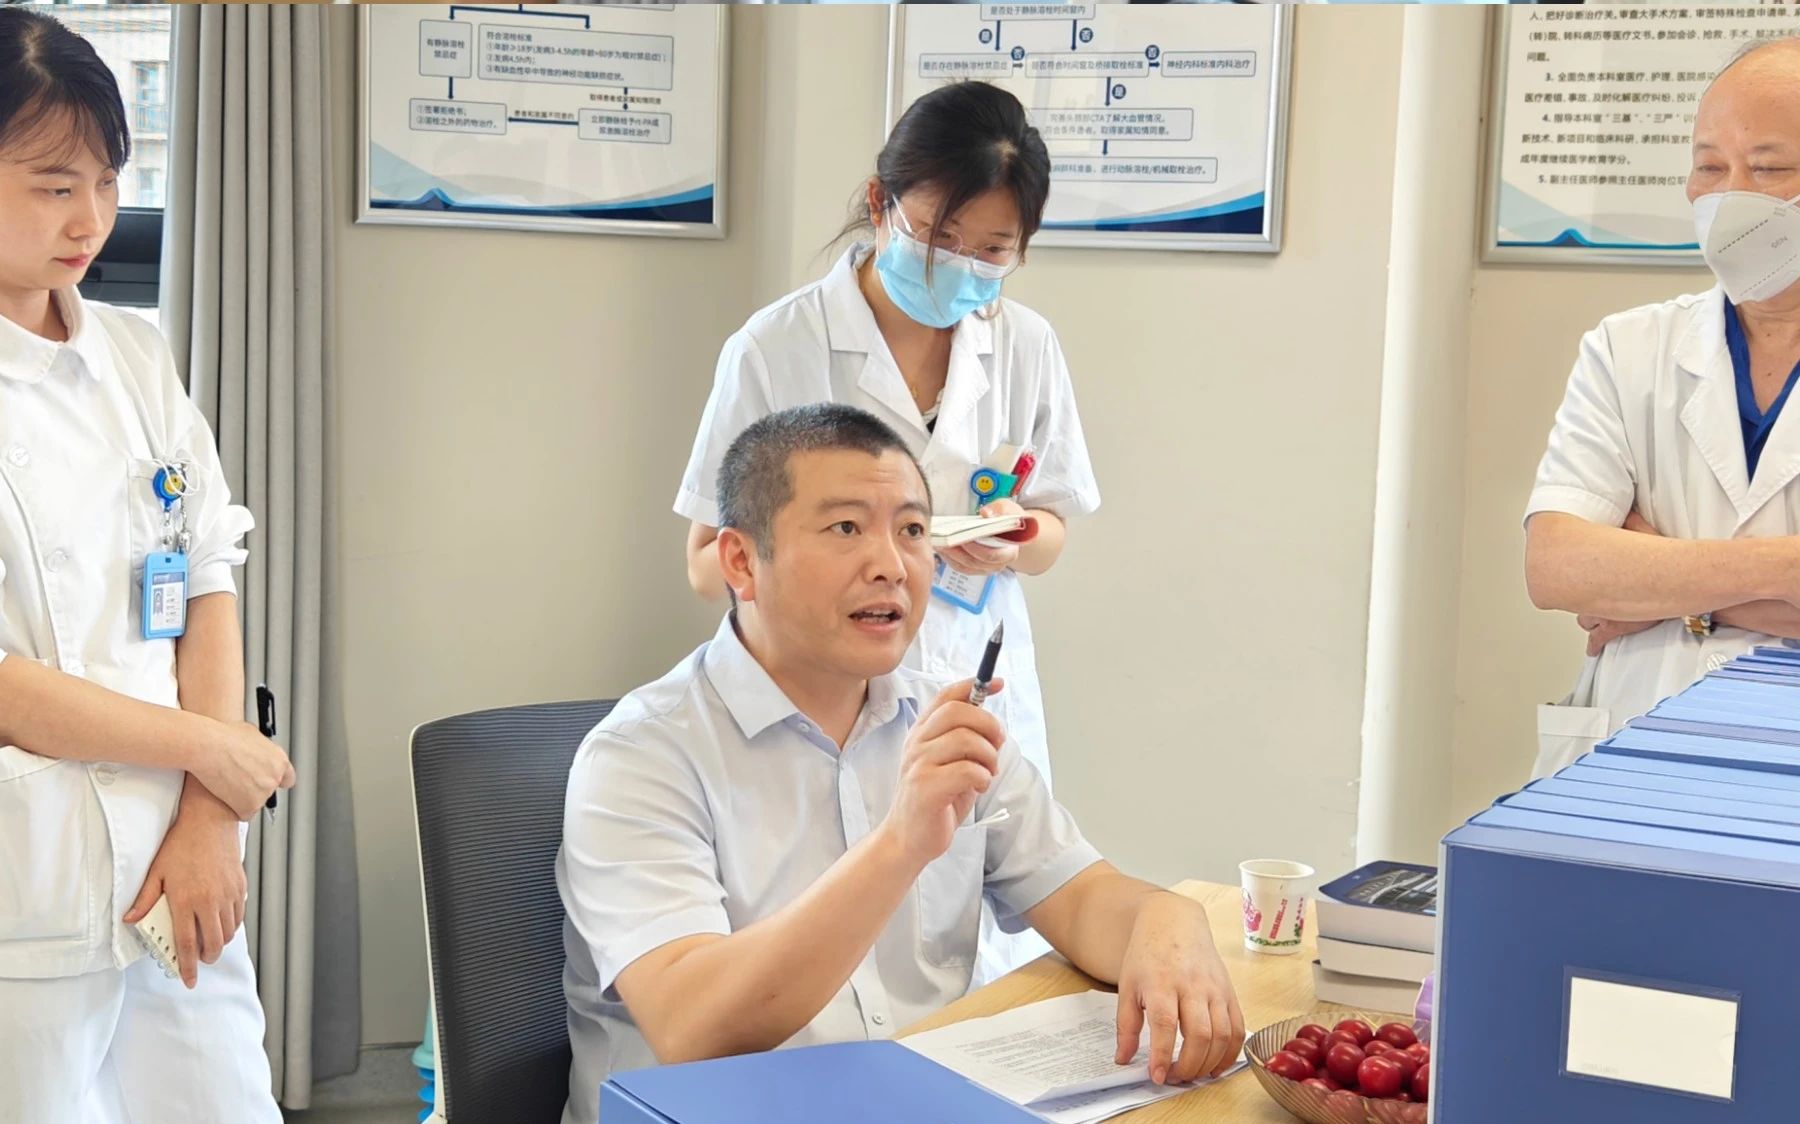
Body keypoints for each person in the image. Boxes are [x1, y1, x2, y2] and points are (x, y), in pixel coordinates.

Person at [561, 404, 1239, 1124]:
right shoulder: (639, 755)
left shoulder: (945, 720)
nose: (890, 565)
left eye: (912, 530)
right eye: (845, 528)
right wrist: (901, 843)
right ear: (740, 561)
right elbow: (693, 1026)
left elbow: (1078, 897)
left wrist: (1166, 916)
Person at [675, 80, 1099, 982]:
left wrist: (1015, 533)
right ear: (880, 203)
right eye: (940, 237)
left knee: (973, 971)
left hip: (971, 688)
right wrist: (841, 545)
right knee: (819, 965)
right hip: (814, 708)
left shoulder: (1025, 345)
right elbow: (710, 562)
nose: (962, 267)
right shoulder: (775, 347)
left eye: (993, 251)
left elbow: (1053, 528)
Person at [0, 9, 293, 1121]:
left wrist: (211, 818)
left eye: (108, 181)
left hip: (181, 863)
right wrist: (213, 749)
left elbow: (206, 572)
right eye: (52, 185)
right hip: (29, 884)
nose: (91, 218)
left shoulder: (134, 351)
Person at [1526, 36, 1800, 777]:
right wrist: (1783, 568)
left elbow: (1603, 572)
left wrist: (1660, 582)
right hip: (1634, 751)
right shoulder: (1629, 348)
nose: (1728, 195)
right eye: (1709, 166)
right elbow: (1558, 567)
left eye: (1768, 168)